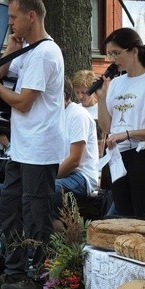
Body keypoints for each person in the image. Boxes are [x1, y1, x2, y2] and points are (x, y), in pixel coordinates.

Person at [0, 0, 67, 289]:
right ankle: (14, 269)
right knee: (9, 204)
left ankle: (41, 277)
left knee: (36, 211)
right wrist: (10, 48)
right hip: (23, 145)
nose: (11, 22)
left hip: (40, 147)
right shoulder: (29, 51)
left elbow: (24, 102)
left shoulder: (45, 53)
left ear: (32, 16)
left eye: (14, 17)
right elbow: (1, 74)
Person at [96, 27, 145, 220]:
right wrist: (102, 99)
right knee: (123, 216)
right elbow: (106, 128)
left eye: (116, 53)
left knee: (144, 217)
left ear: (134, 51)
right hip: (118, 156)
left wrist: (128, 134)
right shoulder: (117, 83)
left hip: (143, 156)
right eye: (110, 54)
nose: (113, 59)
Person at [53, 77, 98, 229]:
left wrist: (46, 177)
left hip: (81, 177)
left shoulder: (78, 115)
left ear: (64, 95)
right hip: (62, 174)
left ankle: (68, 243)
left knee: (43, 190)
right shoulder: (54, 115)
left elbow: (74, 161)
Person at [72, 69, 105, 156]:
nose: (80, 96)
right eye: (77, 92)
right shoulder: (74, 110)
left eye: (84, 92)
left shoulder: (102, 109)